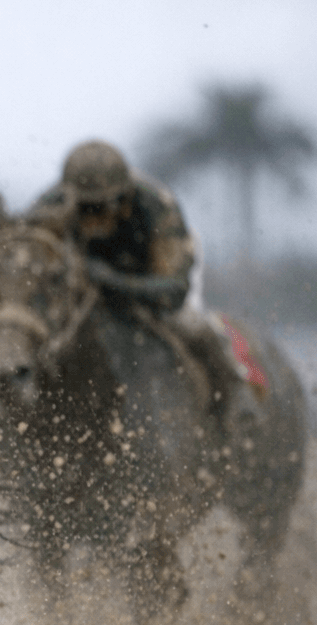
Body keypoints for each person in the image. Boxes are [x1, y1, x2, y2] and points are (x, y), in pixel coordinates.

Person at [28, 139, 257, 422]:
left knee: (193, 327)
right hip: (80, 285)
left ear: (123, 199)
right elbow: (28, 269)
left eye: (100, 208)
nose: (91, 219)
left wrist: (112, 281)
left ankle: (233, 402)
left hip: (150, 275)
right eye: (83, 208)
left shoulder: (157, 206)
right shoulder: (49, 205)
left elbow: (174, 291)